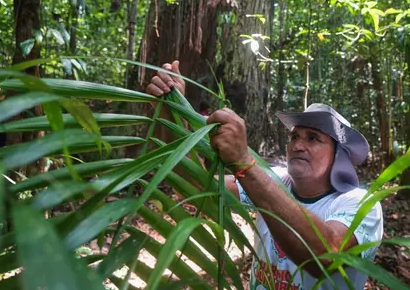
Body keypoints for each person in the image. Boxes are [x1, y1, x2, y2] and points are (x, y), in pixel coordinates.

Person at [146, 61, 383, 290]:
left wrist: (244, 162)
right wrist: (171, 109)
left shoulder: (360, 203)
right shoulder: (276, 181)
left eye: (313, 138)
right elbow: (197, 187)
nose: (298, 145)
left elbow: (325, 257)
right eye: (294, 137)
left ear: (338, 155)